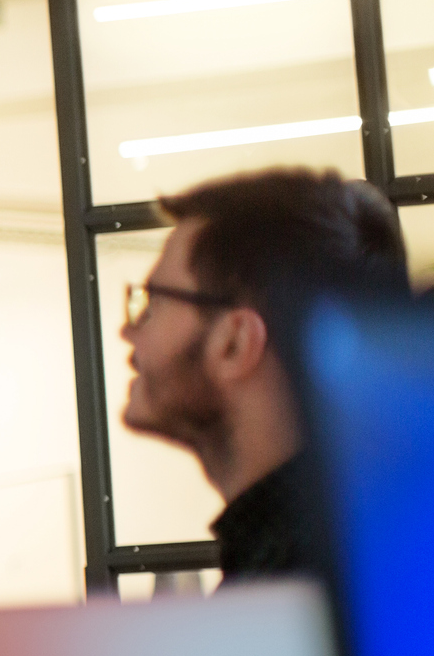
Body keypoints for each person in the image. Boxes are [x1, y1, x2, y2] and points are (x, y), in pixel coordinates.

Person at [120, 166, 407, 582]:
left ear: (235, 343)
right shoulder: (366, 541)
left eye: (154, 303)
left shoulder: (306, 592)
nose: (128, 331)